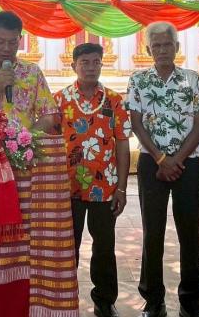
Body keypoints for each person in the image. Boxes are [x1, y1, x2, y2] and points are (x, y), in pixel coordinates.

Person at [126, 22, 199, 317]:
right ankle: (153, 299)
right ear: (149, 49)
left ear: (177, 48)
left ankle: (191, 299)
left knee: (189, 232)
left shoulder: (192, 79)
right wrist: (162, 159)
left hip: (188, 163)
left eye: (167, 45)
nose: (162, 50)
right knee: (153, 231)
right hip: (152, 163)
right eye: (156, 46)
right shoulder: (138, 80)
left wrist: (177, 159)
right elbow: (136, 124)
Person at [54, 43, 131, 317]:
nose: (90, 67)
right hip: (67, 188)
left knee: (104, 248)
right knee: (67, 247)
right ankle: (65, 299)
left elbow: (122, 144)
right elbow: (49, 142)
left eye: (95, 62)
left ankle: (105, 301)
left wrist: (122, 188)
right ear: (73, 65)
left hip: (104, 187)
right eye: (84, 62)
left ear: (101, 64)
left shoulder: (115, 100)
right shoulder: (59, 100)